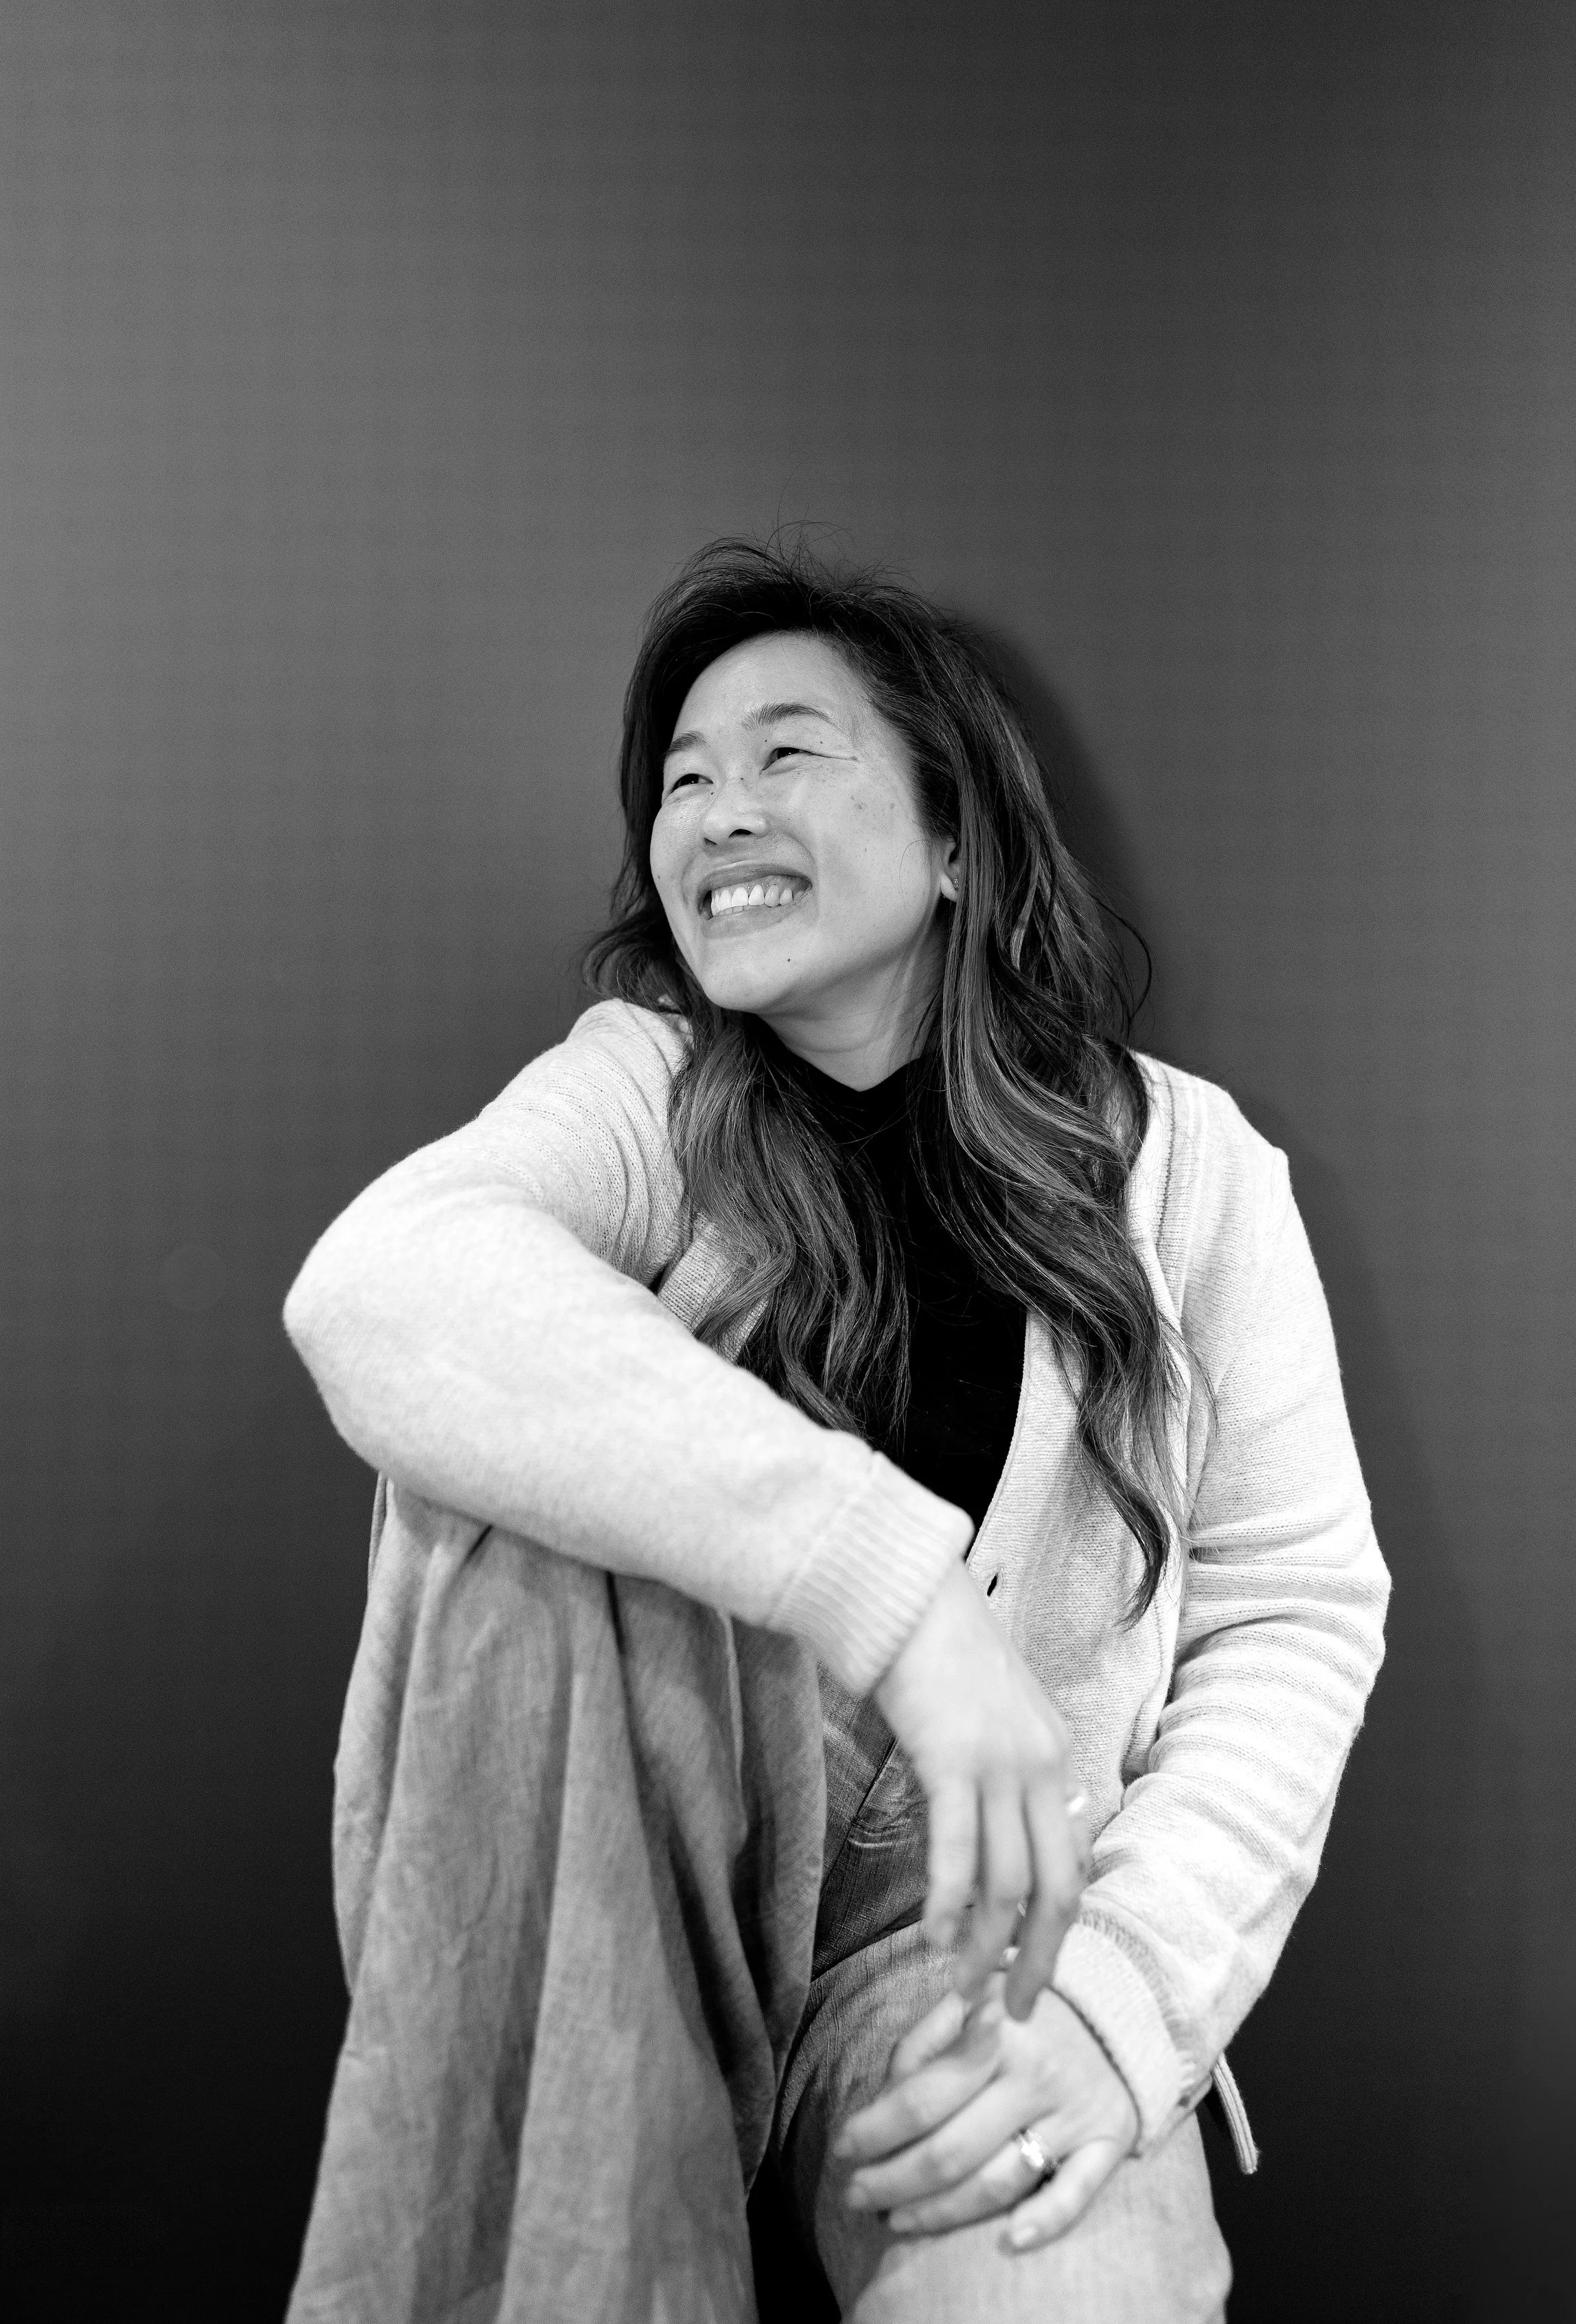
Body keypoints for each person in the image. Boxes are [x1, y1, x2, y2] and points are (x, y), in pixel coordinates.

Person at [281, 539, 1390, 2324]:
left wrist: (1118, 2008)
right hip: (610, 1914)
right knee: (493, 1501)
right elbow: (378, 1286)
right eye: (684, 778)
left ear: (956, 839)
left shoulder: (1181, 1173)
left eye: (786, 752)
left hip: (965, 1946)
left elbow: (1293, 1607)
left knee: (1065, 2285)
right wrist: (902, 1597)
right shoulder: (644, 1091)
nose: (716, 808)